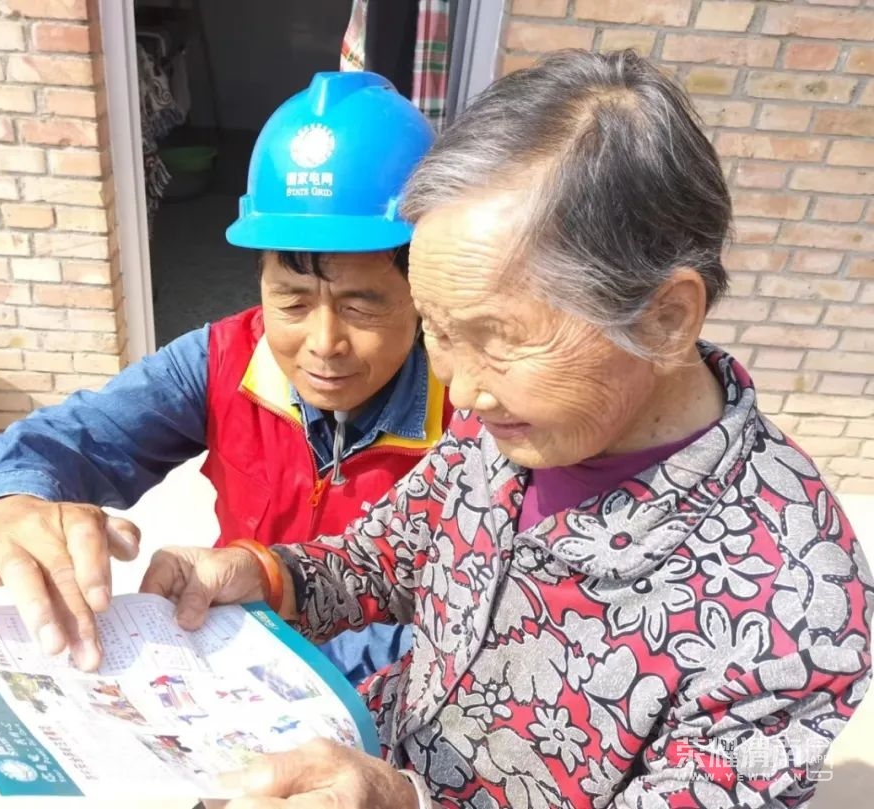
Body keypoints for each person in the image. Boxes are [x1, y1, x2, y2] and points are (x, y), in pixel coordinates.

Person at [141, 50, 874, 808]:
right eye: (437, 329)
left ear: (664, 318)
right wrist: (265, 575)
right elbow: (385, 555)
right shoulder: (506, 420)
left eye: (497, 338)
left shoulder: (793, 611)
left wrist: (406, 803)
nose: (461, 389)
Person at [0, 71, 452, 682]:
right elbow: (70, 438)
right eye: (291, 302)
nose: (322, 344)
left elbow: (490, 621)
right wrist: (2, 505)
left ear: (426, 292)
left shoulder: (478, 413)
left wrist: (319, 667)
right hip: (243, 671)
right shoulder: (222, 361)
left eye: (361, 307)